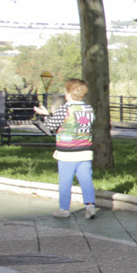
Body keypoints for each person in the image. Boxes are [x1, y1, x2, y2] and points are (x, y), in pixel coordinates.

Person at [34, 79, 97, 219]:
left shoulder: (65, 108)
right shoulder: (89, 109)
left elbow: (51, 126)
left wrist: (45, 115)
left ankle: (63, 209)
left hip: (67, 152)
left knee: (65, 182)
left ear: (68, 93)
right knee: (86, 180)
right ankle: (90, 206)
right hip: (85, 150)